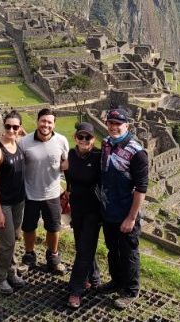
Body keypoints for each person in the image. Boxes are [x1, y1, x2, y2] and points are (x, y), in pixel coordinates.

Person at [97, 108, 148, 309]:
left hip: (126, 212)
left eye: (118, 124)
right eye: (111, 123)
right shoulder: (106, 143)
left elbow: (141, 187)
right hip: (109, 209)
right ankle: (116, 281)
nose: (114, 127)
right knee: (112, 250)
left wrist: (132, 217)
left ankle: (131, 290)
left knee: (129, 252)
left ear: (127, 126)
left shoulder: (137, 152)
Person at [18, 108, 69, 274]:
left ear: (54, 124)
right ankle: (29, 257)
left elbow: (66, 165)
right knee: (28, 227)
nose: (45, 125)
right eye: (43, 121)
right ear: (37, 121)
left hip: (52, 193)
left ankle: (53, 258)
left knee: (54, 228)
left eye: (49, 122)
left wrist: (69, 188)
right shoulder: (24, 142)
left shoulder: (62, 141)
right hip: (30, 193)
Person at [0, 111, 28, 295]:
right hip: (4, 203)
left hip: (19, 201)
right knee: (7, 242)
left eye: (15, 127)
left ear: (20, 128)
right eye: (8, 126)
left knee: (15, 239)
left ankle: (11, 272)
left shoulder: (18, 144)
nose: (11, 130)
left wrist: (23, 134)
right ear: (3, 126)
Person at [65, 121, 103, 309]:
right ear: (76, 138)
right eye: (81, 136)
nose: (84, 140)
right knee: (83, 246)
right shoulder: (71, 155)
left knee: (84, 248)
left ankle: (76, 290)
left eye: (88, 137)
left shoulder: (98, 156)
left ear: (93, 139)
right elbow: (67, 174)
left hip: (94, 210)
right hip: (77, 209)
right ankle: (94, 278)